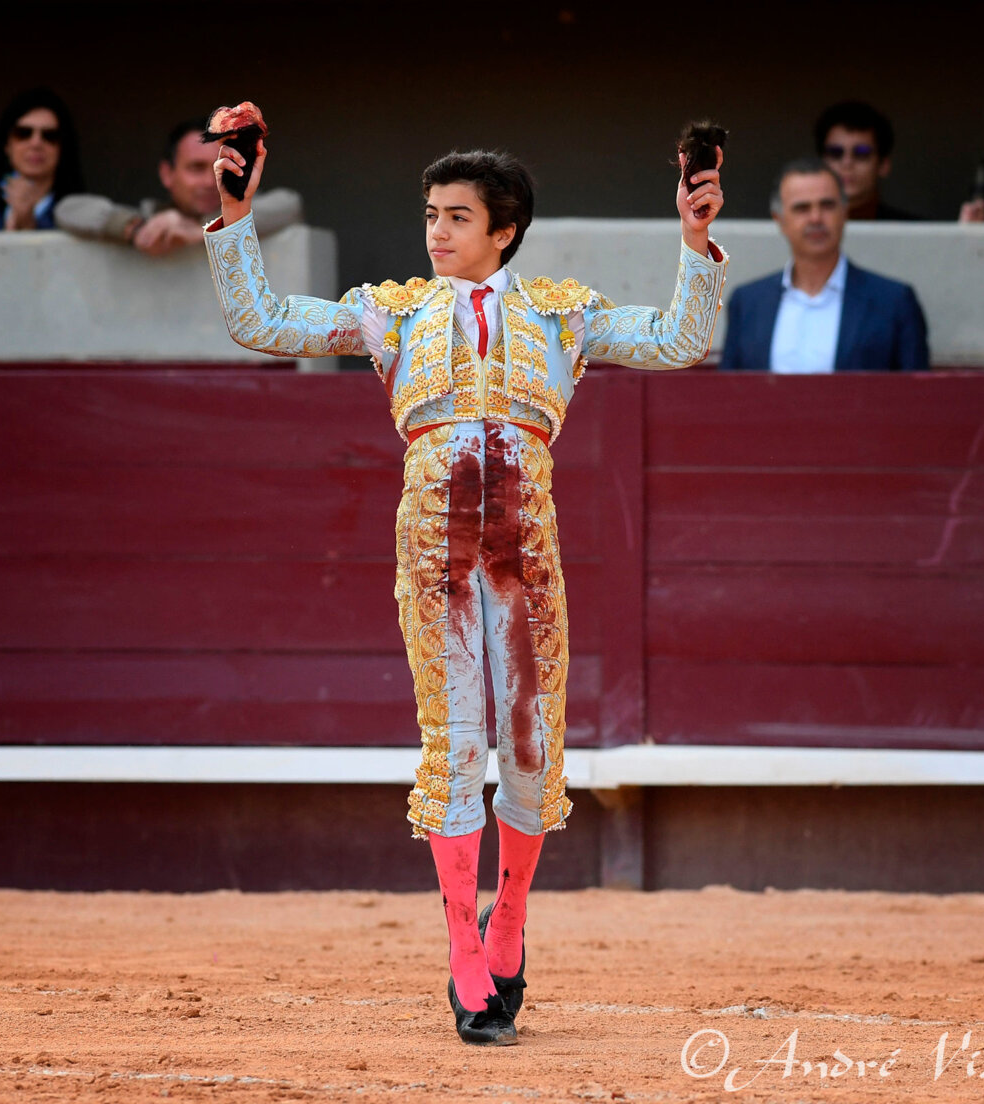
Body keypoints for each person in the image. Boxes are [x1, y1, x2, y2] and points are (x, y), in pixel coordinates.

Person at [204, 136, 727, 1045]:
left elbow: (680, 340)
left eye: (457, 218)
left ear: (504, 229)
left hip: (525, 550)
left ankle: (509, 919)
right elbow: (264, 322)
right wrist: (236, 216)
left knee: (528, 745)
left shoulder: (562, 314)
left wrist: (694, 238)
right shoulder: (393, 313)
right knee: (454, 743)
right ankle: (462, 950)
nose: (436, 233)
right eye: (431, 216)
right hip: (434, 551)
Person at [720, 158, 927, 373]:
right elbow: (728, 390)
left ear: (844, 212)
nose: (816, 218)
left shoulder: (894, 302)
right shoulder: (747, 303)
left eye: (827, 205)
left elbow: (918, 391)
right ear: (779, 220)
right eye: (802, 208)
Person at [55, 117, 301, 255]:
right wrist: (136, 229)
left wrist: (207, 230)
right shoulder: (150, 220)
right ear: (167, 174)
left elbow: (289, 204)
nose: (210, 182)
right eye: (196, 168)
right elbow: (68, 209)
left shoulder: (244, 215)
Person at [0, 87, 84, 231]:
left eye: (49, 136)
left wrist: (30, 225)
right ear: (6, 145)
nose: (36, 143)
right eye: (23, 133)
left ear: (62, 148)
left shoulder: (83, 225)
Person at [814, 100, 921, 221]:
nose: (847, 163)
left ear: (883, 165)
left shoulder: (914, 229)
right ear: (820, 164)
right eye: (835, 153)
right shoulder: (799, 228)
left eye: (861, 154)